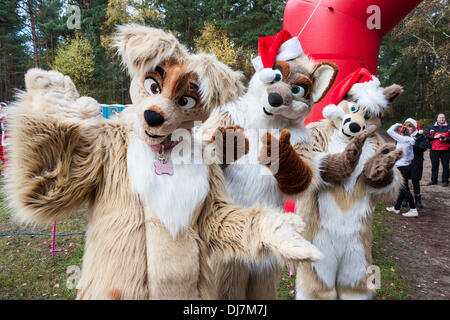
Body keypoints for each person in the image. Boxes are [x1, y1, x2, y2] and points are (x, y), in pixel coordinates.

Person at [386, 121, 418, 217]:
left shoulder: (402, 139)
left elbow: (389, 131)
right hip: (406, 165)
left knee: (404, 188)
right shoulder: (410, 140)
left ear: (401, 132)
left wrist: (396, 124)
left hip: (401, 167)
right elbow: (411, 156)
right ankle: (396, 207)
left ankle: (413, 209)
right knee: (402, 188)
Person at [425, 113, 450, 186]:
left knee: (445, 166)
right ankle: (433, 180)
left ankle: (445, 181)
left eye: (443, 117)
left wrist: (446, 139)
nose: (441, 119)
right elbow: (426, 136)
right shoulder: (431, 126)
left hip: (446, 150)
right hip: (434, 150)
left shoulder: (449, 127)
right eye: (440, 118)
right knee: (434, 166)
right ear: (437, 119)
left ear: (445, 119)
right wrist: (435, 137)